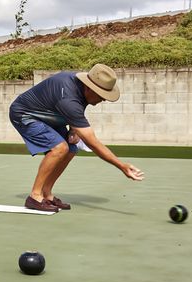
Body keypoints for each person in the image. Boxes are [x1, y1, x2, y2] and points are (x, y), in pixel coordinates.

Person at [9, 63, 144, 212]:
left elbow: (77, 108)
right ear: (89, 88)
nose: (104, 100)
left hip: (50, 115)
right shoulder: (68, 100)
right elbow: (93, 143)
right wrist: (121, 166)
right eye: (101, 95)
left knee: (71, 149)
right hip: (25, 114)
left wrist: (73, 129)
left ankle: (47, 193)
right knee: (60, 148)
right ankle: (34, 196)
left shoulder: (81, 87)